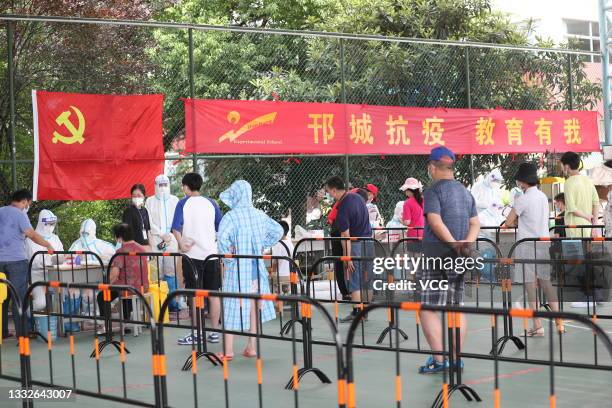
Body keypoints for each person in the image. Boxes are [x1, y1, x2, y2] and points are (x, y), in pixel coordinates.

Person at [418, 147, 480, 374]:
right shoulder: (465, 192)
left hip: (437, 255)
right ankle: (455, 359)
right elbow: (475, 223)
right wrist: (465, 244)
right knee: (456, 307)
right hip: (460, 258)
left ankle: (440, 358)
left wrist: (452, 243)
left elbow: (434, 221)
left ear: (432, 167)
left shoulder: (433, 191)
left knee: (428, 307)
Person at [217, 180, 283, 360]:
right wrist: (262, 245)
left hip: (237, 269)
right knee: (255, 305)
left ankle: (228, 350)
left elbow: (222, 239)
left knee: (230, 304)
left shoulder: (231, 216)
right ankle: (251, 346)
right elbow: (278, 230)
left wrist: (228, 257)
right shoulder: (259, 215)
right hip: (256, 269)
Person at [503, 162, 564, 336]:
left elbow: (508, 221)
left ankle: (537, 325)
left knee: (530, 285)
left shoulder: (522, 198)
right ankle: (559, 321)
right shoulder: (543, 197)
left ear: (522, 181)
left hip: (527, 244)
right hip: (543, 242)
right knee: (546, 282)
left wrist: (513, 220)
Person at [172, 172, 222, 345]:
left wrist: (181, 242)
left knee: (194, 294)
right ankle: (215, 332)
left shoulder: (182, 203)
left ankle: (197, 333)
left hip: (191, 256)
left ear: (186, 187)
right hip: (211, 255)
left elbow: (175, 228)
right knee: (214, 294)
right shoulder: (211, 203)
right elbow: (220, 227)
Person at [0, 189, 54, 339]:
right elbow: (32, 234)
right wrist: (47, 245)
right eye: (27, 204)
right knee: (19, 297)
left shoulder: (1, 211)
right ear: (24, 201)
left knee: (2, 298)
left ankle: (2, 332)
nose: (27, 207)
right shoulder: (20, 214)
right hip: (16, 261)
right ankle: (22, 334)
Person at [324, 176, 373, 323]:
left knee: (355, 278)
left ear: (333, 190)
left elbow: (345, 235)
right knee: (367, 278)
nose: (328, 194)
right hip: (368, 242)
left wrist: (347, 257)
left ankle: (357, 311)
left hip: (356, 244)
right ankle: (365, 310)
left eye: (328, 191)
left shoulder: (343, 207)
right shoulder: (357, 197)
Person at [145, 174, 185, 310]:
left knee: (171, 271)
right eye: (159, 185)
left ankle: (172, 304)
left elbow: (179, 219)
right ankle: (159, 304)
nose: (162, 188)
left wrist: (170, 233)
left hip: (172, 239)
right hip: (156, 239)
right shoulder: (149, 201)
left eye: (165, 185)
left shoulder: (175, 200)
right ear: (155, 185)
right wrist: (160, 233)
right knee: (157, 271)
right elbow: (148, 220)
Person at [96, 224, 148, 325]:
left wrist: (105, 285)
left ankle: (105, 325)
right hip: (143, 286)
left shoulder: (120, 252)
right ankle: (126, 320)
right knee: (123, 289)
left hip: (128, 287)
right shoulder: (142, 249)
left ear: (119, 238)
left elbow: (114, 275)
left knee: (102, 295)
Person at [68, 219, 116, 321]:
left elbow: (112, 255)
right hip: (81, 278)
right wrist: (78, 259)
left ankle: (97, 316)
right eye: (83, 233)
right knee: (87, 295)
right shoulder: (76, 244)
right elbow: (70, 259)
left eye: (87, 233)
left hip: (97, 278)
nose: (85, 236)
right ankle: (86, 317)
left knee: (92, 294)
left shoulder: (101, 245)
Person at [25, 210, 65, 311]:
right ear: (41, 223)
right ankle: (26, 315)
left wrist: (60, 259)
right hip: (36, 275)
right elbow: (32, 261)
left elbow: (62, 254)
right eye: (48, 224)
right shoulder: (30, 240)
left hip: (54, 274)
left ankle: (58, 324)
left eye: (52, 224)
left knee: (64, 297)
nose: (51, 226)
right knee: (40, 303)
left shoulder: (55, 238)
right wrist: (51, 260)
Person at [560, 152, 599, 238]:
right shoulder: (588, 180)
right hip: (588, 227)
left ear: (567, 166)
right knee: (588, 251)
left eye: (562, 165)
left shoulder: (568, 183)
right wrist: (594, 226)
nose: (561, 167)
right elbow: (596, 203)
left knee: (576, 251)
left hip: (574, 228)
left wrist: (587, 216)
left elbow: (571, 208)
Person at [470, 169, 504, 238]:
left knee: (494, 236)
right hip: (480, 217)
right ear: (490, 178)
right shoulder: (478, 186)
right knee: (482, 237)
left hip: (492, 218)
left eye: (498, 181)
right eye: (495, 181)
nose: (496, 183)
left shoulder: (494, 189)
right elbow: (472, 202)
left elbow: (498, 201)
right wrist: (486, 205)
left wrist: (500, 206)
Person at [269, 220, 294, 295]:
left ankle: (276, 301)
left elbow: (275, 262)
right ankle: (285, 294)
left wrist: (272, 273)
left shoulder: (278, 244)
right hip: (290, 274)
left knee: (266, 278)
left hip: (281, 275)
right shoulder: (289, 243)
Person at [122, 184, 151, 248]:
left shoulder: (145, 210)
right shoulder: (128, 211)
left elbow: (148, 230)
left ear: (144, 196)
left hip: (145, 247)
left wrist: (150, 245)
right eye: (134, 196)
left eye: (139, 196)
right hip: (134, 249)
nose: (136, 198)